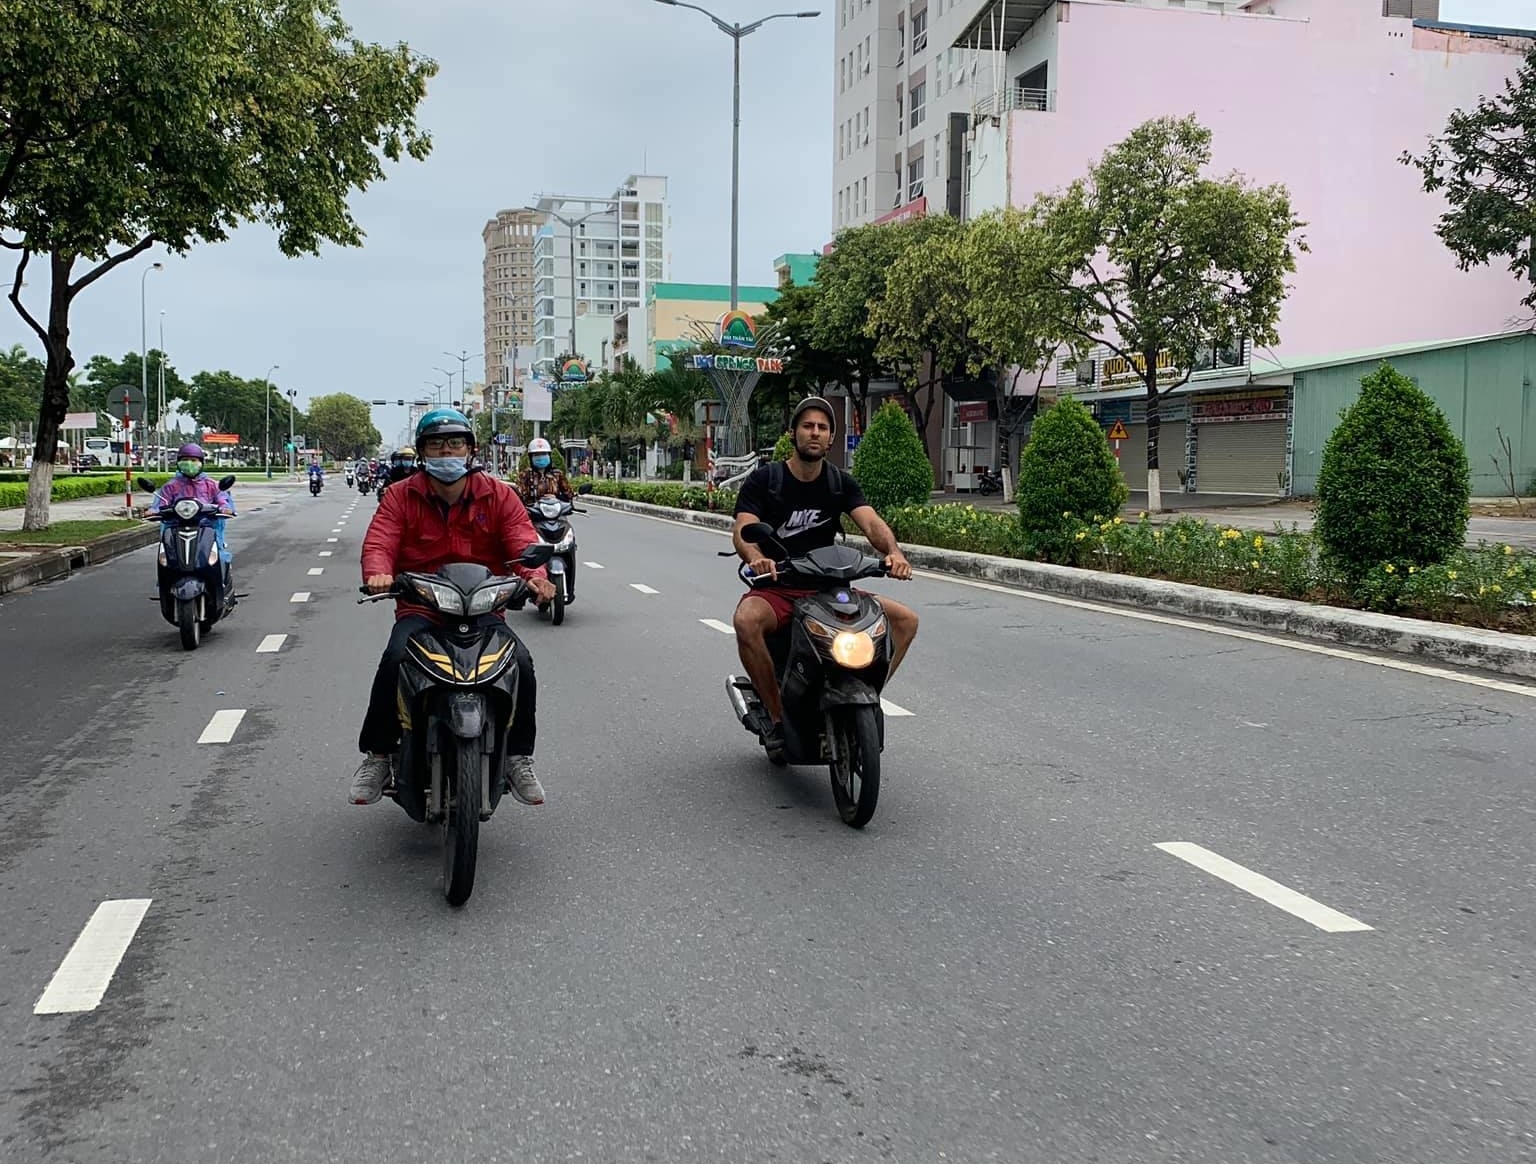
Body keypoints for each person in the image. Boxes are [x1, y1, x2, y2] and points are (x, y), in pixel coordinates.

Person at [352, 409, 558, 807]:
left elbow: (521, 540)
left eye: (454, 443)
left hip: (484, 610)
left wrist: (535, 577)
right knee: (396, 657)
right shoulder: (401, 495)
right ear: (423, 452)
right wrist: (378, 573)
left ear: (470, 449)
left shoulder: (498, 494)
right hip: (422, 609)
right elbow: (380, 542)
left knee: (523, 663)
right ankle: (378, 755)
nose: (446, 451)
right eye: (436, 444)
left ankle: (518, 756)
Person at [730, 396, 919, 761]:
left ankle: (866, 697)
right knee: (746, 620)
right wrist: (756, 558)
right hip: (779, 588)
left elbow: (871, 522)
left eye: (822, 427)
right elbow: (744, 529)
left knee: (905, 621)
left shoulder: (839, 484)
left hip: (829, 589)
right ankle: (777, 717)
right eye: (807, 426)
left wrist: (893, 552)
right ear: (793, 433)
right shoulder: (766, 480)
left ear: (831, 437)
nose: (814, 433)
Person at [149, 443, 236, 596]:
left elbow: (223, 500)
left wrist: (224, 507)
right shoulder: (171, 486)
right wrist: (152, 511)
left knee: (218, 557)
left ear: (201, 462)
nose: (190, 464)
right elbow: (161, 503)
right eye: (186, 459)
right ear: (178, 462)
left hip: (206, 529)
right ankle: (166, 586)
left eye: (194, 460)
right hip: (177, 529)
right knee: (167, 559)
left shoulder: (212, 485)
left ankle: (221, 585)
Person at [516, 438, 573, 504]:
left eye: (543, 454)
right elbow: (519, 496)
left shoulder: (557, 474)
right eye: (536, 455)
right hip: (532, 512)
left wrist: (556, 497)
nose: (540, 457)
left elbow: (569, 495)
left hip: (555, 510)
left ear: (549, 455)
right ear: (531, 457)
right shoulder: (524, 475)